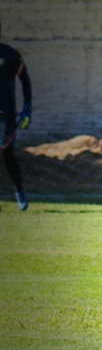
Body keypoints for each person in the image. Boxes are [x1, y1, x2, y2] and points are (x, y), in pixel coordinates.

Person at [0, 20, 32, 211]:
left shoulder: (10, 54)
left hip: (6, 116)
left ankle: (19, 190)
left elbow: (25, 81)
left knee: (7, 153)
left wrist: (27, 108)